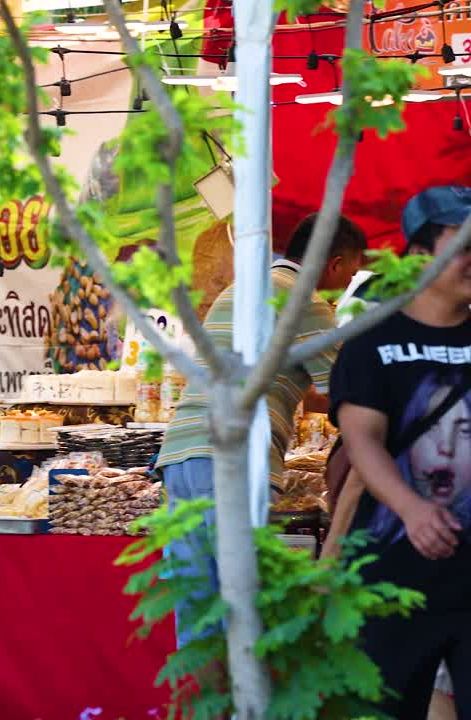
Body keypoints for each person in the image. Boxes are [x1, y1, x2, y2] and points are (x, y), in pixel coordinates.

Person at [155, 213, 367, 646]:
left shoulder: (239, 290)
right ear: (335, 263)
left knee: (199, 614)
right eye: (350, 271)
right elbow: (341, 395)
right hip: (234, 459)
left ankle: (204, 709)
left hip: (181, 454)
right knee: (242, 608)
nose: (346, 284)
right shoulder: (305, 299)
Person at [332, 185, 471, 719]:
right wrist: (410, 509)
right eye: (463, 243)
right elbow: (361, 439)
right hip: (393, 579)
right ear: (418, 255)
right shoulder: (373, 343)